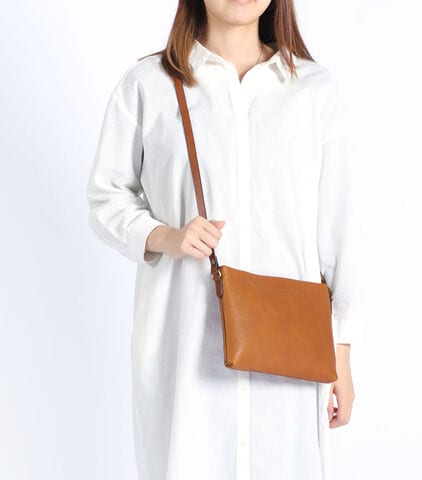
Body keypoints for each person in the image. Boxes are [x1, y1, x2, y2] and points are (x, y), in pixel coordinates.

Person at [86, 1, 363, 479]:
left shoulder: (314, 91)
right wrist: (166, 236)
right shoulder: (149, 85)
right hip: (185, 352)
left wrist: (341, 351)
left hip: (290, 357)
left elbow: (338, 232)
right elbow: (105, 198)